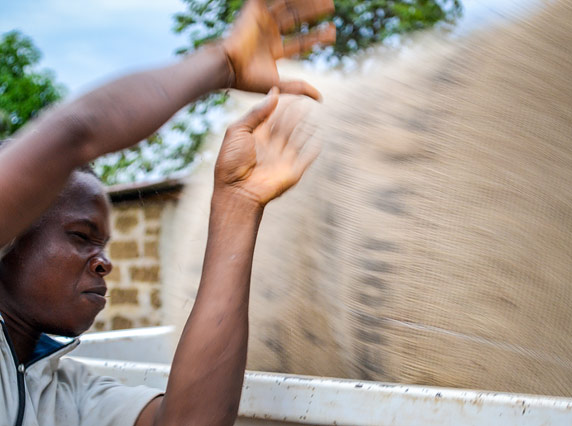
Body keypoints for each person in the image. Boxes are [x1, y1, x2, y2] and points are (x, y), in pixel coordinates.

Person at [0, 0, 335, 425]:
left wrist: (238, 203)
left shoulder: (66, 391)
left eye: (102, 244)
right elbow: (75, 134)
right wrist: (223, 61)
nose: (104, 263)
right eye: (81, 237)